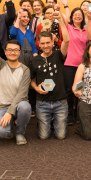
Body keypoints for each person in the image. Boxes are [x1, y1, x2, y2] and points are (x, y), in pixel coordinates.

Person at [0, 15, 31, 145]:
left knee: (25, 106)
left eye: (16, 50)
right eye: (10, 50)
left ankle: (20, 132)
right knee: (1, 133)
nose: (13, 52)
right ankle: (10, 124)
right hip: (2, 107)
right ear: (5, 52)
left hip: (18, 105)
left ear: (19, 53)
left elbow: (22, 94)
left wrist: (10, 112)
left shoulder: (25, 70)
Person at [30, 12, 70, 140]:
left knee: (60, 136)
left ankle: (54, 122)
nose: (45, 46)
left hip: (60, 102)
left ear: (53, 42)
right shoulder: (35, 60)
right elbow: (32, 80)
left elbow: (67, 40)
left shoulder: (59, 55)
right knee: (43, 137)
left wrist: (61, 21)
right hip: (42, 103)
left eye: (48, 43)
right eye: (43, 43)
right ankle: (43, 122)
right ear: (39, 44)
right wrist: (36, 88)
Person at [63, 7, 89, 125]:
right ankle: (68, 115)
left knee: (80, 91)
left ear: (83, 17)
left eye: (80, 14)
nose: (77, 16)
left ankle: (79, 115)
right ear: (72, 17)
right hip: (69, 64)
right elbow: (63, 18)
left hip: (82, 66)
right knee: (69, 91)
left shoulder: (85, 30)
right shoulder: (68, 27)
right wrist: (65, 6)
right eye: (75, 14)